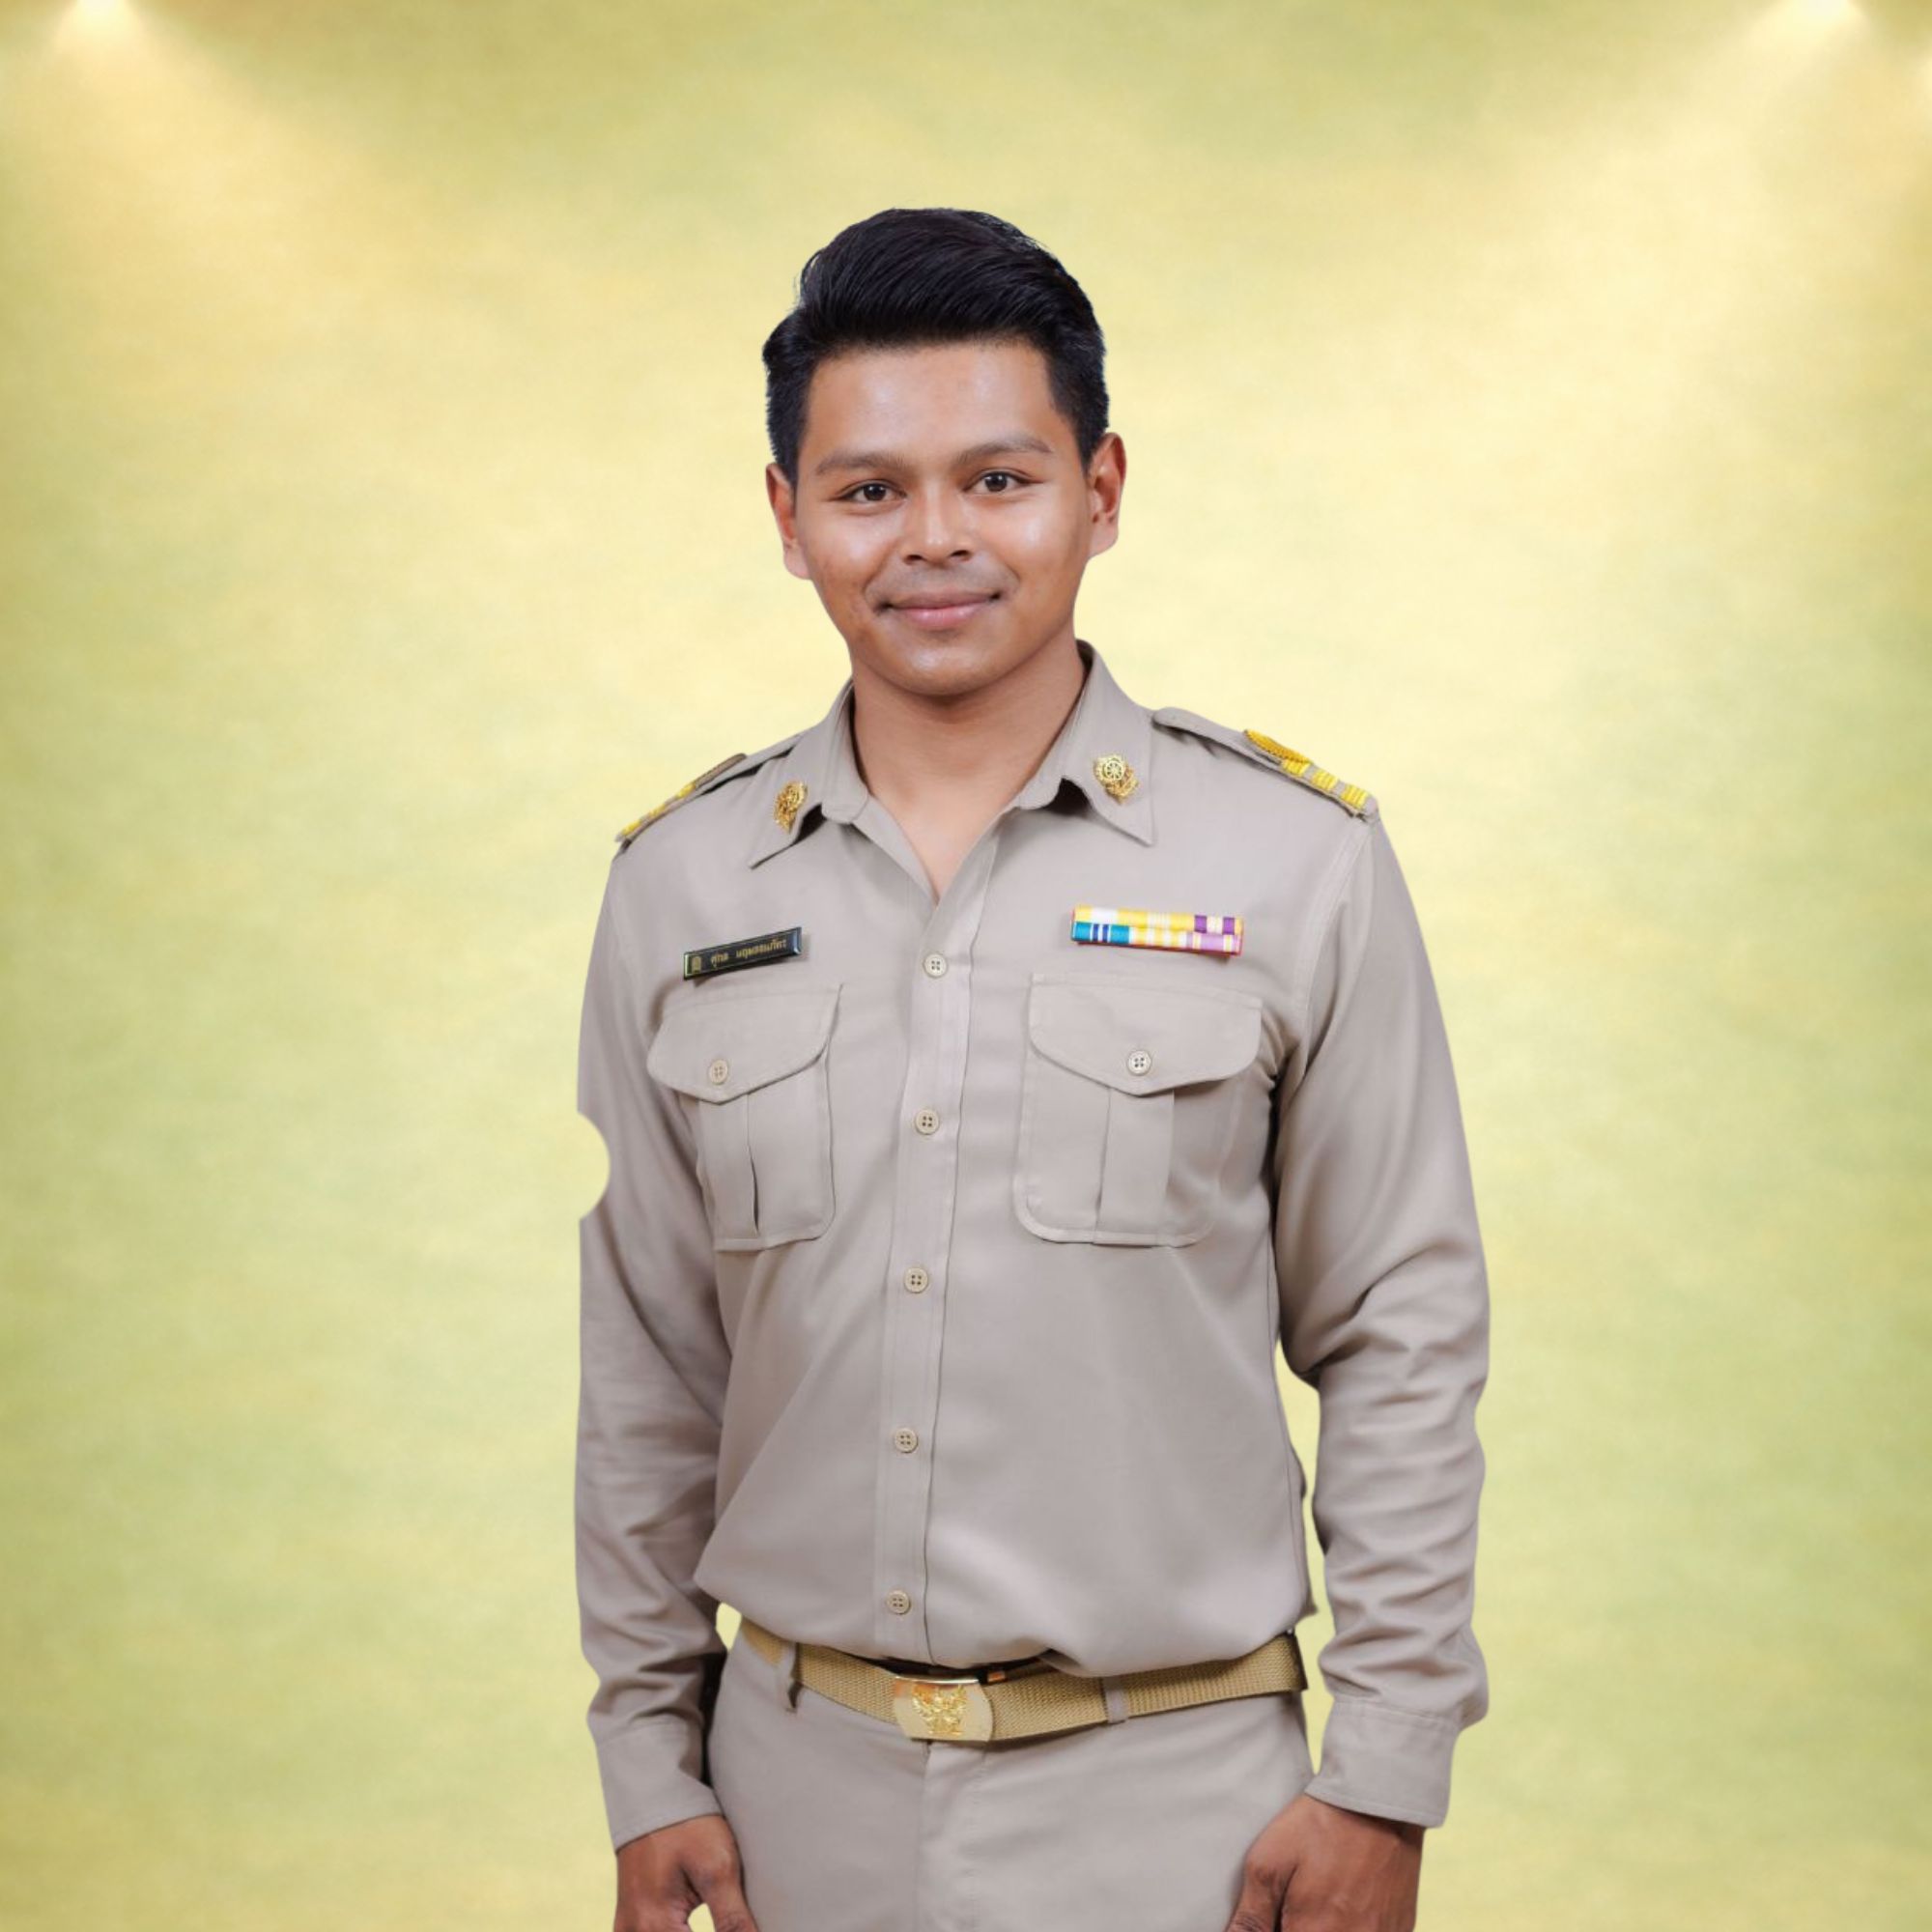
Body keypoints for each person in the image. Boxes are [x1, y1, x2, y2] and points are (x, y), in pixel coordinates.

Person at [574, 206, 1491, 1932]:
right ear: (787, 517)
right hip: (788, 1804)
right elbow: (649, 1364)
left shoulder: (1297, 863)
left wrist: (1384, 1772)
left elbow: (1401, 1332)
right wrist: (648, 1761)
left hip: (1184, 1813)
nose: (935, 538)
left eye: (999, 479)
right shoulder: (682, 890)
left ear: (1102, 490)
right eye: (867, 490)